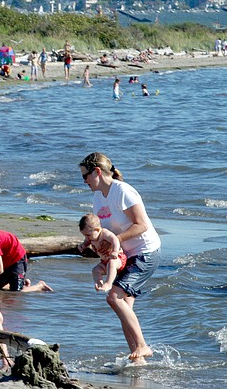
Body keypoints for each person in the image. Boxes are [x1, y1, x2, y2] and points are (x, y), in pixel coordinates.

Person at [79, 152, 161, 363]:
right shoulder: (98, 196)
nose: (84, 181)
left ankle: (143, 346)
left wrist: (116, 239)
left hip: (145, 251)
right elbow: (101, 230)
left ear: (97, 171)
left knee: (114, 297)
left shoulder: (123, 191)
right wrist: (97, 245)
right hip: (124, 254)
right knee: (123, 305)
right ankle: (137, 359)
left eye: (85, 176)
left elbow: (141, 225)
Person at [78, 213, 127, 292]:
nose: (87, 237)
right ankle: (99, 284)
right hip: (105, 262)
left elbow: (115, 240)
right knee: (95, 270)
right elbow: (86, 242)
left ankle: (108, 283)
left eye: (88, 235)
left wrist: (115, 251)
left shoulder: (104, 233)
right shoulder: (91, 237)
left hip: (118, 259)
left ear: (97, 230)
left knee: (112, 263)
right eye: (84, 235)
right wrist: (83, 245)